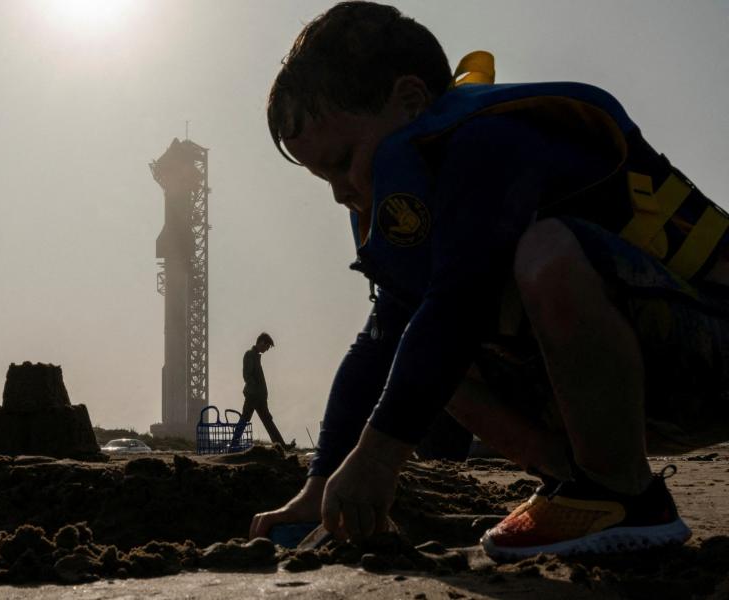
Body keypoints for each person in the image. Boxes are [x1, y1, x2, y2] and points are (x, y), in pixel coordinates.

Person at [250, 1, 729, 560]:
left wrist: (379, 458)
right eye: (322, 178)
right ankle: (574, 484)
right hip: (649, 385)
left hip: (711, 349)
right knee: (421, 344)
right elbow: (382, 338)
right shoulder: (420, 192)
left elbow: (462, 298)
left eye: (343, 161)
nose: (340, 192)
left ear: (411, 101)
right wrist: (320, 481)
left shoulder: (492, 139)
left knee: (543, 253)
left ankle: (622, 494)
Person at [231, 333, 293, 450]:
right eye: (267, 346)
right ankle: (234, 444)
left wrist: (261, 393)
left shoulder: (255, 356)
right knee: (246, 418)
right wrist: (255, 390)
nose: (267, 349)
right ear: (261, 342)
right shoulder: (250, 355)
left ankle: (281, 446)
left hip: (259, 397)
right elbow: (247, 375)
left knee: (267, 420)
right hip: (253, 396)